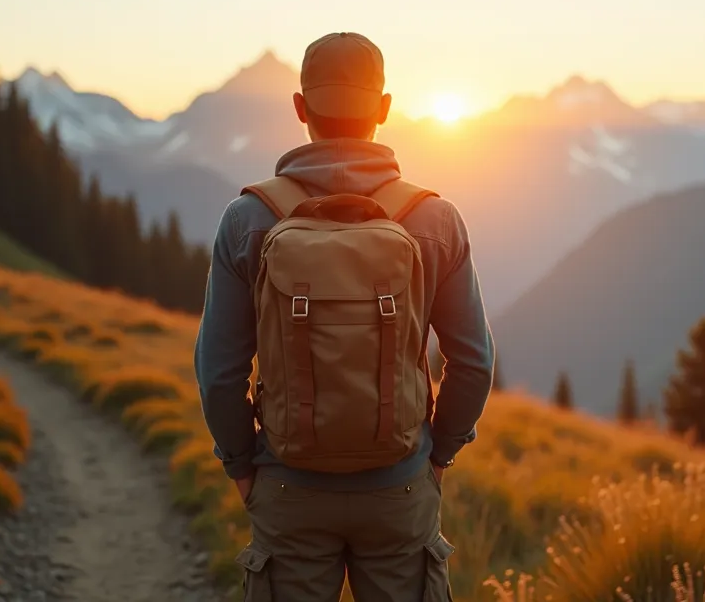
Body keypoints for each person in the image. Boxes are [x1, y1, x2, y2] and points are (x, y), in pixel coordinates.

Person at [193, 31, 495, 601]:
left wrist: (242, 465)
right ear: (384, 108)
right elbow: (474, 362)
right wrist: (439, 456)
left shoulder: (247, 219)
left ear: (300, 108)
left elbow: (218, 373)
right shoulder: (434, 218)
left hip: (288, 486)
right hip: (401, 487)